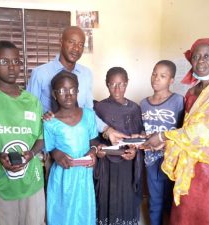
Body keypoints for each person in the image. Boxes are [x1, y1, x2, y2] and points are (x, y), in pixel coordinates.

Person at [143, 38, 209, 225]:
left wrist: (164, 136)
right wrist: (159, 139)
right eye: (196, 57)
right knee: (184, 215)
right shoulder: (191, 93)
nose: (201, 61)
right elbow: (183, 128)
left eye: (207, 56)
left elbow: (204, 131)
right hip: (187, 167)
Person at [0, 41, 45, 225]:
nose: (12, 67)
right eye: (4, 61)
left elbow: (41, 138)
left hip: (32, 183)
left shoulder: (32, 101)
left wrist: (31, 154)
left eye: (16, 61)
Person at [27, 25, 126, 144]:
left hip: (78, 145)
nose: (76, 49)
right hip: (48, 145)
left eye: (80, 44)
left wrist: (108, 130)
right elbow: (29, 113)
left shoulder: (86, 74)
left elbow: (88, 112)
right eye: (72, 42)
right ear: (61, 42)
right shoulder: (40, 73)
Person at [43, 71, 98, 225]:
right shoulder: (50, 121)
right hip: (62, 177)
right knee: (62, 214)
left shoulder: (88, 115)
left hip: (83, 176)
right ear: (54, 95)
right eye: (62, 91)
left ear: (78, 92)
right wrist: (56, 154)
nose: (68, 95)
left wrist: (93, 152)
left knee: (83, 215)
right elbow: (50, 148)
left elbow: (94, 140)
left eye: (72, 90)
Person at [94, 67, 144, 225]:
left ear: (127, 83)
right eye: (112, 84)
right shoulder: (99, 107)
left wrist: (135, 151)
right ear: (106, 84)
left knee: (126, 195)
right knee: (107, 195)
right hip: (106, 163)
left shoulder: (135, 108)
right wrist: (97, 149)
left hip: (127, 163)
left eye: (121, 84)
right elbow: (93, 135)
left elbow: (139, 135)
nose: (117, 89)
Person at [140, 60, 184, 225]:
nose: (156, 78)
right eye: (154, 73)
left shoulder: (178, 101)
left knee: (172, 199)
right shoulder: (143, 104)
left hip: (172, 159)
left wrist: (165, 142)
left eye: (163, 76)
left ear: (171, 80)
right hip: (151, 159)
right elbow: (144, 131)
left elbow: (182, 131)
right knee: (155, 199)